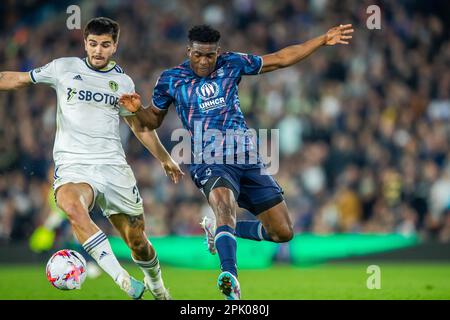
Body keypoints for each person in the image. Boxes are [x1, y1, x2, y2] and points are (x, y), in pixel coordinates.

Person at [119, 24, 353, 300]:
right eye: (198, 55)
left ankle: (218, 231)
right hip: (208, 157)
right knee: (223, 204)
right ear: (188, 51)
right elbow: (151, 122)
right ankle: (230, 277)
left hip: (246, 157)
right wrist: (136, 112)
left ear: (218, 52)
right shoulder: (171, 80)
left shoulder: (232, 63)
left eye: (210, 56)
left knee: (282, 232)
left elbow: (279, 59)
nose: (204, 61)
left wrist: (322, 40)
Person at [0, 17, 184, 300]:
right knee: (72, 206)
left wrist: (164, 158)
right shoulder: (63, 68)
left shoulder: (122, 81)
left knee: (138, 243)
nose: (98, 50)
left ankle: (158, 288)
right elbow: (17, 79)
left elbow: (140, 127)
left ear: (115, 46)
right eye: (93, 44)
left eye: (105, 45)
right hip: (73, 165)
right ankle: (123, 280)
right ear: (85, 43)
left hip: (113, 167)